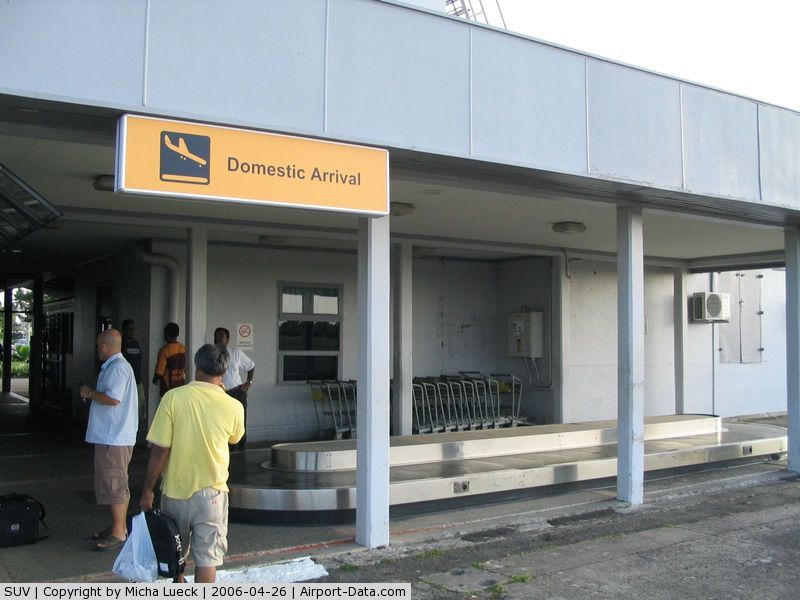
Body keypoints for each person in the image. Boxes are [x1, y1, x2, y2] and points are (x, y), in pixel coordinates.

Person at [140, 344, 244, 583]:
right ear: (224, 372)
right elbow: (235, 438)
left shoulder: (173, 398)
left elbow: (160, 449)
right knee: (207, 558)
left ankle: (179, 583)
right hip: (213, 495)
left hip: (175, 492)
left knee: (175, 552)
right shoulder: (233, 406)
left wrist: (148, 489)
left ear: (196, 367)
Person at [79, 329, 138, 551]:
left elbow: (113, 398)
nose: (97, 350)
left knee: (114, 482)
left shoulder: (118, 369)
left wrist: (89, 393)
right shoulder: (115, 367)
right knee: (111, 481)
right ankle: (117, 525)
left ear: (105, 346)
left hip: (114, 437)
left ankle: (119, 532)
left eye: (98, 346)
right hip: (111, 436)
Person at [213, 327, 254, 451]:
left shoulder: (236, 353)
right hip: (220, 394)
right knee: (223, 424)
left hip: (237, 392)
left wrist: (249, 382)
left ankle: (241, 451)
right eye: (216, 336)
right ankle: (227, 450)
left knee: (239, 423)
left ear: (227, 339)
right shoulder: (211, 355)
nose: (218, 338)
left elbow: (251, 366)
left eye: (221, 336)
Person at [121, 319, 146, 424]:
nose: (132, 331)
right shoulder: (121, 344)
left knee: (140, 403)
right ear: (124, 330)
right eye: (129, 329)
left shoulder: (136, 344)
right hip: (125, 382)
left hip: (137, 381)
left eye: (133, 329)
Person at [153, 322, 186, 398]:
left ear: (167, 333)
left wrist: (155, 379)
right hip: (181, 385)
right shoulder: (184, 348)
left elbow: (159, 372)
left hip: (167, 387)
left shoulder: (164, 350)